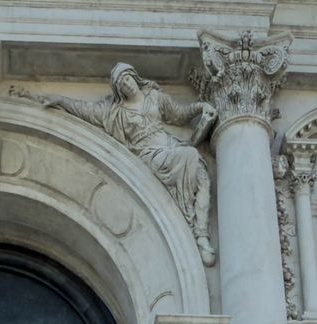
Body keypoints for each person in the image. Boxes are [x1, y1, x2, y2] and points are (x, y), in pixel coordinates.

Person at [36, 64, 219, 266]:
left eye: (128, 79)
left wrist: (201, 107)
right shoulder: (115, 113)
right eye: (122, 84)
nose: (128, 85)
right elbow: (85, 110)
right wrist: (61, 99)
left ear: (135, 78)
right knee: (190, 155)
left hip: (169, 145)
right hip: (151, 155)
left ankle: (201, 234)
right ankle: (194, 228)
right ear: (119, 91)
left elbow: (180, 114)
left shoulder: (155, 98)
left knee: (202, 175)